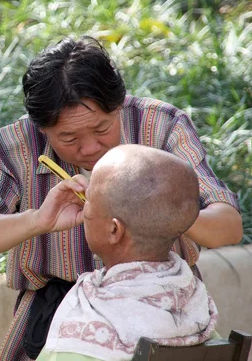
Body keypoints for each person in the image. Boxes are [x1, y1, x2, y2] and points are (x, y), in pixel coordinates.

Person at [0, 36, 241, 360]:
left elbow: (228, 227)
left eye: (102, 129)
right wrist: (37, 220)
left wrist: (157, 208)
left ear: (119, 105)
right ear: (41, 128)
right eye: (69, 137)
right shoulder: (16, 144)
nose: (88, 148)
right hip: (54, 315)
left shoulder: (162, 127)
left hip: (165, 310)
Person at [36, 144, 219, 361]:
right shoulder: (198, 313)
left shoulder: (83, 337)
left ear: (114, 230)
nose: (83, 208)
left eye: (89, 202)